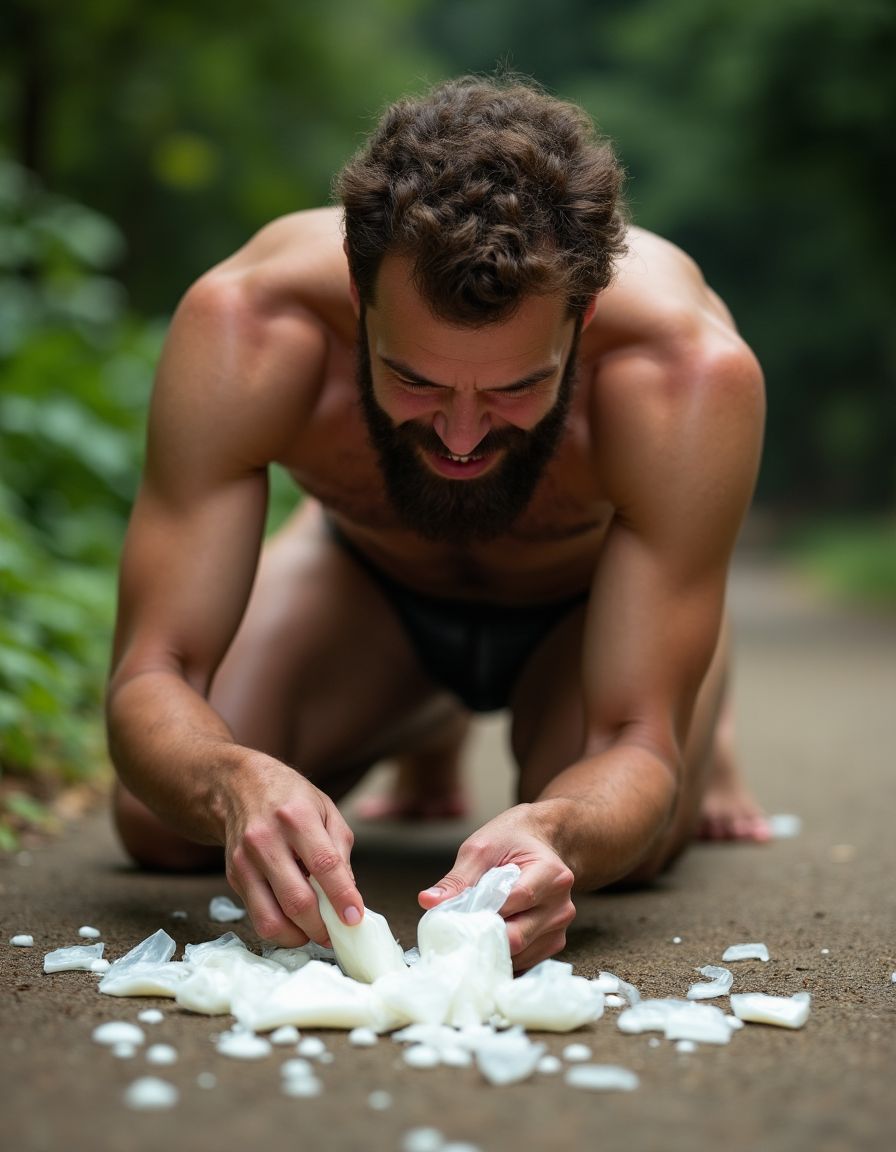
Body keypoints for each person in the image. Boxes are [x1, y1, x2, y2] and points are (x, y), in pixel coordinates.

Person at [107, 75, 769, 973]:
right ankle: (423, 717)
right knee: (160, 821)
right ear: (357, 293)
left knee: (625, 850)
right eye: (414, 379)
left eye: (515, 387)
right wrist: (232, 780)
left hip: (585, 605)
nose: (461, 436)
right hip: (370, 575)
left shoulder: (684, 375)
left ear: (587, 314)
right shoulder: (251, 325)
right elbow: (153, 670)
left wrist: (559, 826)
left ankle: (703, 690)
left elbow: (632, 744)